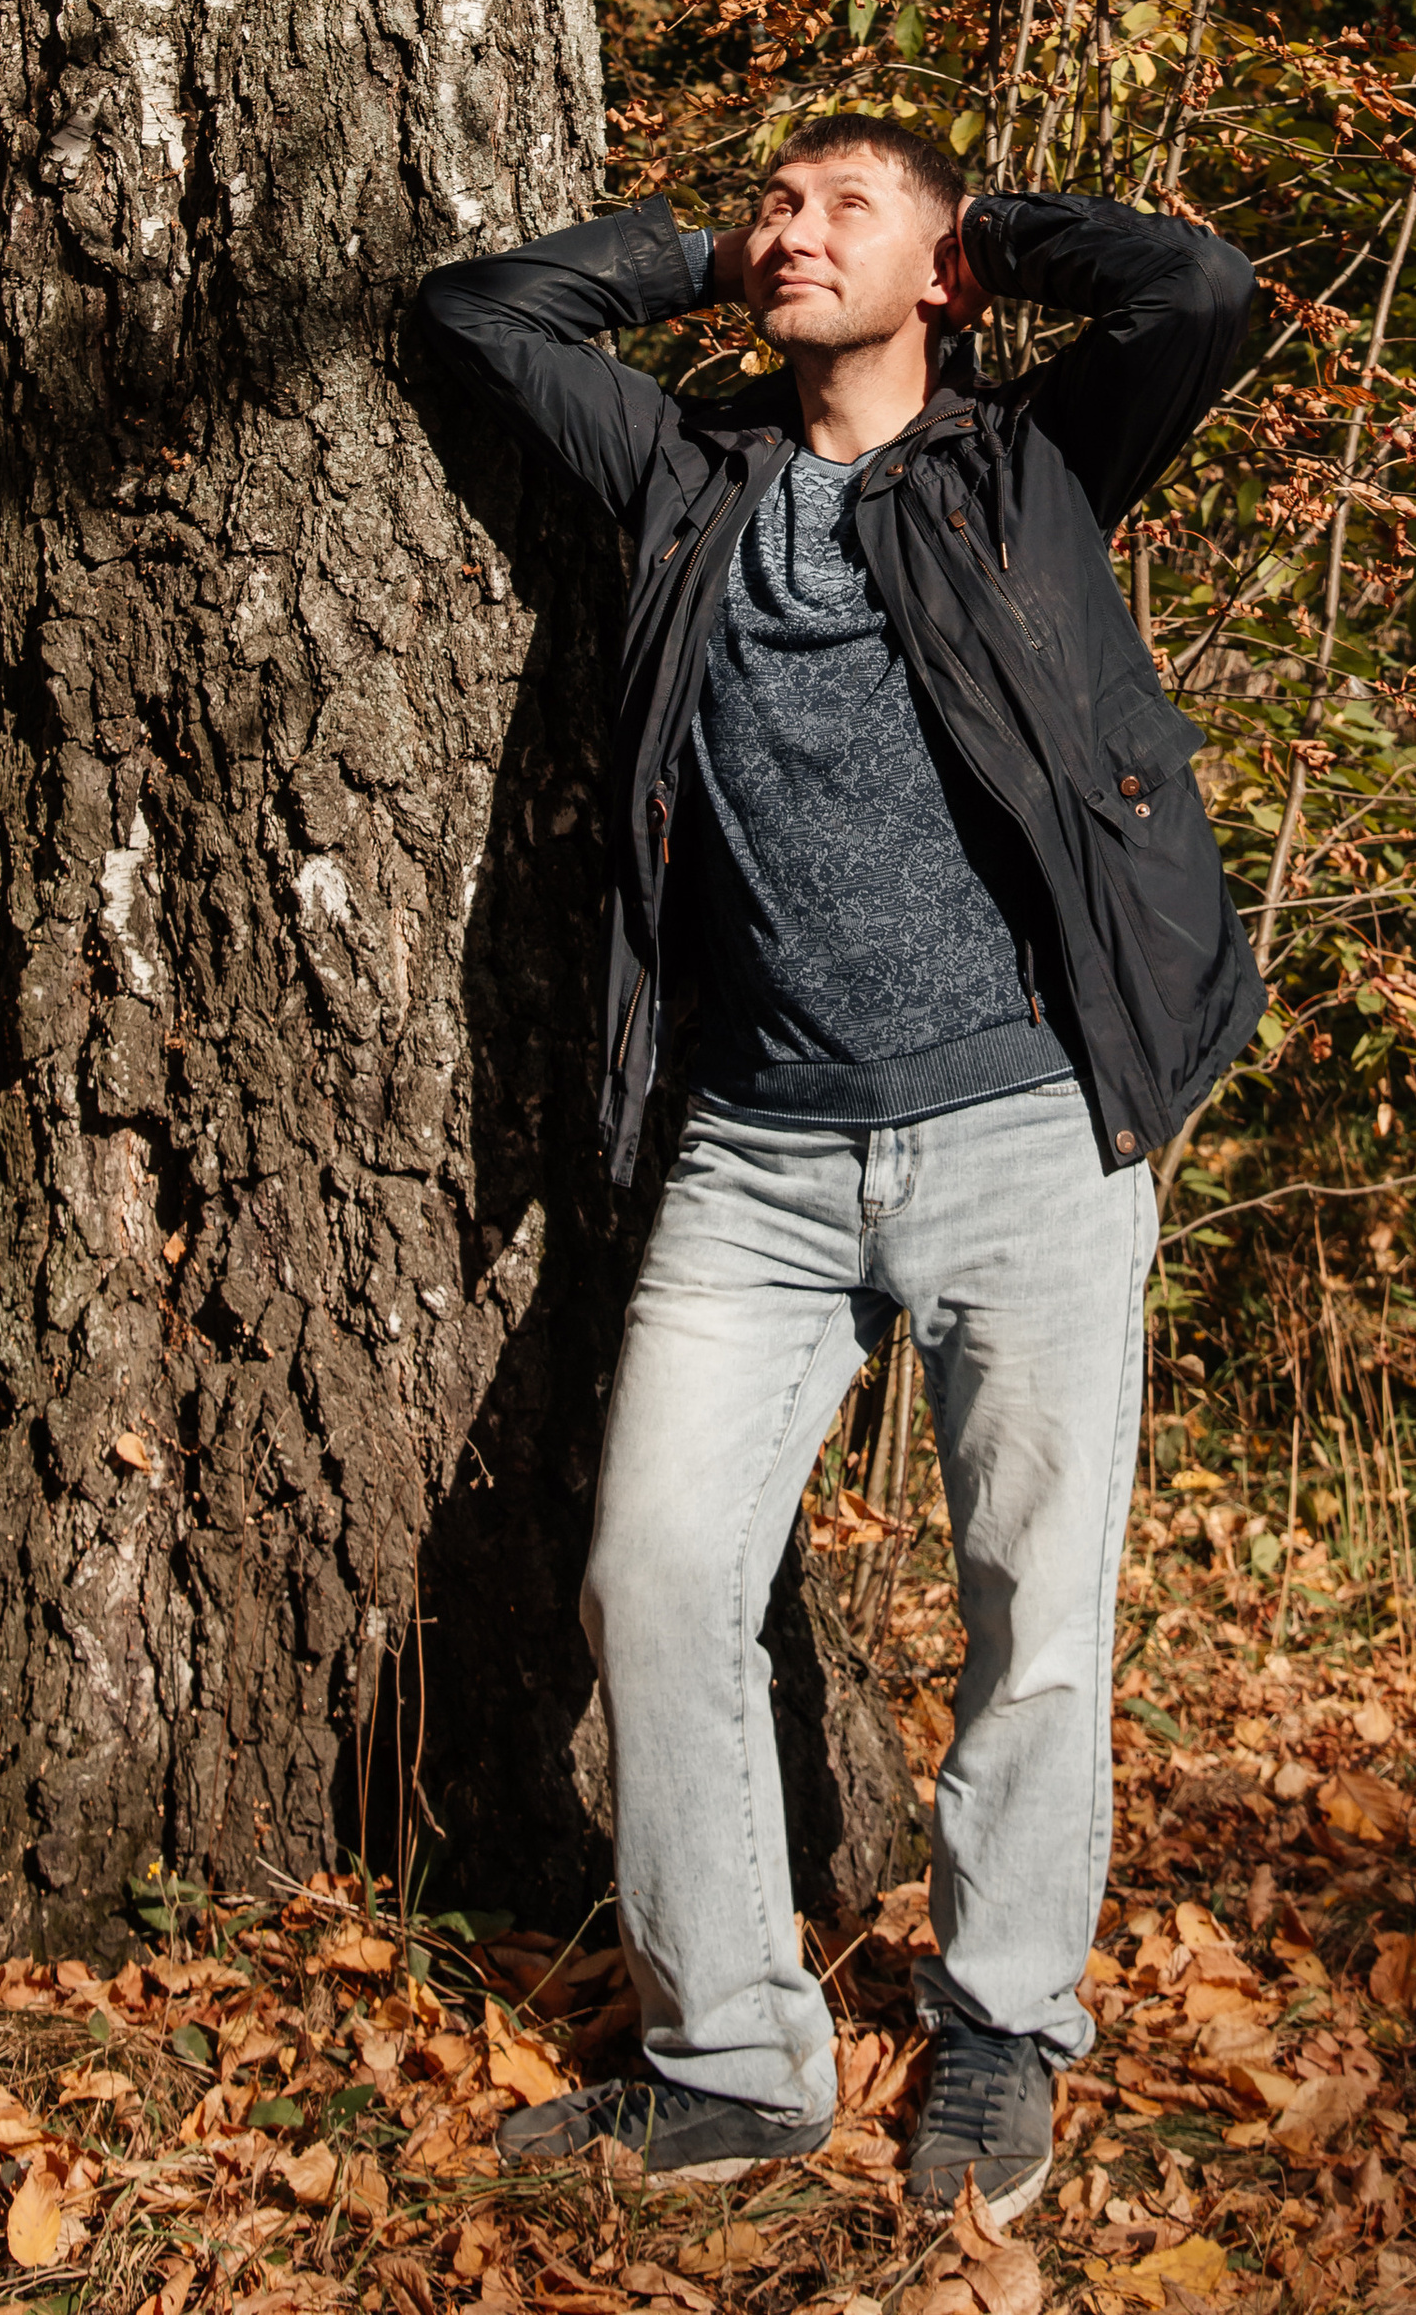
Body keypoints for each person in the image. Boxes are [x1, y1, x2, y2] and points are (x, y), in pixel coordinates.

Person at [414, 117, 1263, 2212]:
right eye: (776, 207)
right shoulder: (684, 480)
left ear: (945, 273)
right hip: (758, 1155)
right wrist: (698, 252)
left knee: (1030, 1615)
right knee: (653, 1580)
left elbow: (1203, 295)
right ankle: (728, 2064)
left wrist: (988, 229)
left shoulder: (1027, 467)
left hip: (1025, 1130)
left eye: (840, 207)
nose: (798, 232)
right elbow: (469, 313)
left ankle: (996, 2030)